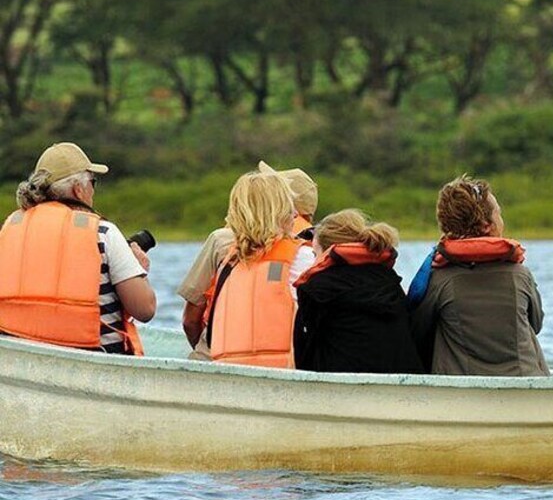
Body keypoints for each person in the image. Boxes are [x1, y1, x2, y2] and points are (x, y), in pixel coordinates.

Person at [0, 142, 156, 354]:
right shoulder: (103, 233)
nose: (93, 190)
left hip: (19, 355)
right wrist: (139, 270)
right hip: (95, 355)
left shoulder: (9, 230)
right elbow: (145, 310)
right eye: (93, 182)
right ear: (78, 189)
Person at [410, 175, 549, 376]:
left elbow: (418, 332)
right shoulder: (520, 276)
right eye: (498, 213)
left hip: (461, 385)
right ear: (486, 225)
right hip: (523, 382)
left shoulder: (438, 279)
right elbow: (536, 324)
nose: (501, 220)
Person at [178, 161, 316, 358]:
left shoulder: (225, 246)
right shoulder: (308, 254)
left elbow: (190, 321)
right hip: (279, 364)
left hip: (216, 358)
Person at [293, 209, 423, 373]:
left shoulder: (316, 290)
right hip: (400, 383)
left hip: (340, 384)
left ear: (326, 252)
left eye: (315, 254)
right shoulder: (390, 282)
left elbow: (304, 357)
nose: (314, 262)